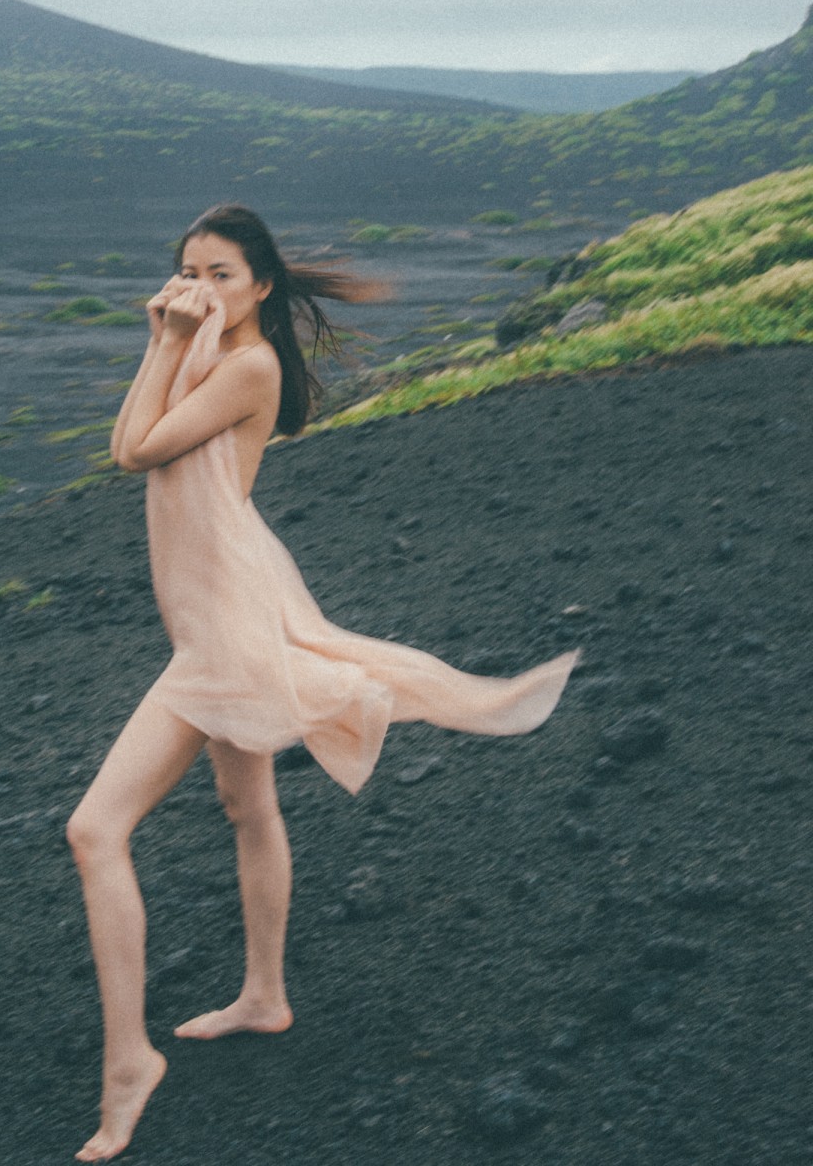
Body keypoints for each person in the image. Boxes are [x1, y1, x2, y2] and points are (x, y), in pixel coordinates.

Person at [66, 204, 578, 1161]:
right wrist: (167, 340)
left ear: (262, 285)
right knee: (245, 801)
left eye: (221, 274)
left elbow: (132, 449)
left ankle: (129, 1061)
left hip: (223, 630)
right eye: (188, 272)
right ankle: (264, 995)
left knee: (95, 831)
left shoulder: (248, 366)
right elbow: (144, 440)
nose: (199, 289)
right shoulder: (209, 352)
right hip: (225, 603)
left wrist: (163, 342)